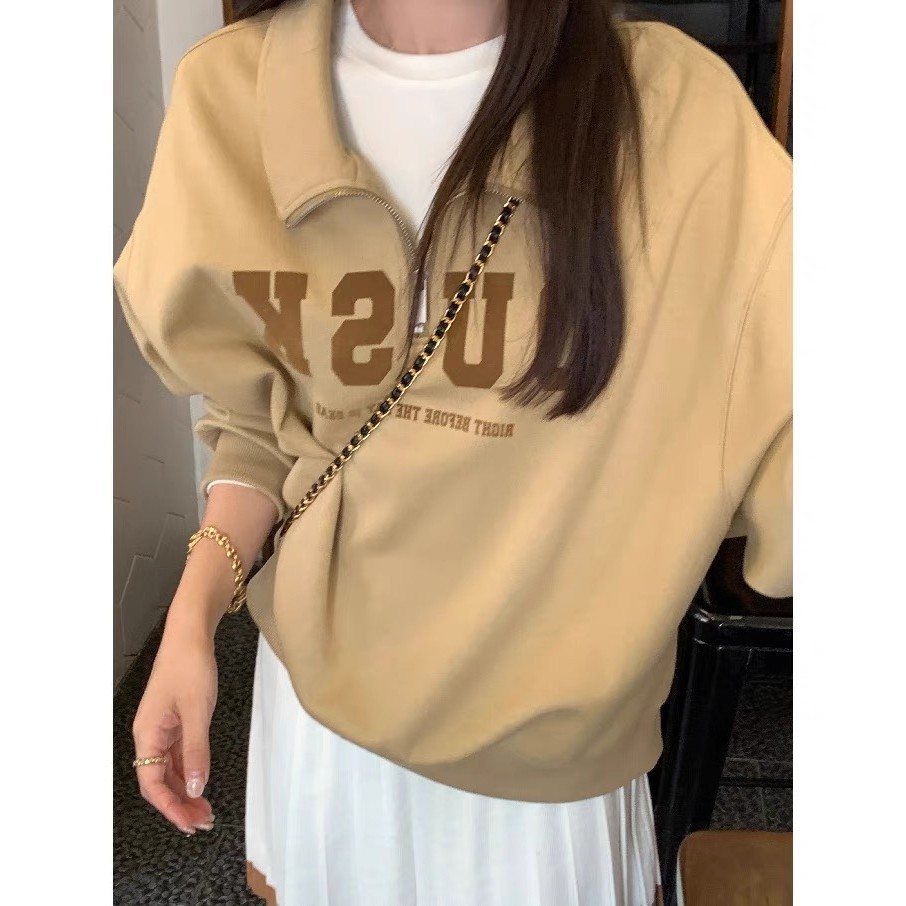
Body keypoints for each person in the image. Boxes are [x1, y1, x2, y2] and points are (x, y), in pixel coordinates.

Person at [114, 0, 792, 904]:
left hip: (546, 767)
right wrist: (190, 623)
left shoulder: (675, 115)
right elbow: (258, 427)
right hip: (324, 723)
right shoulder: (230, 95)